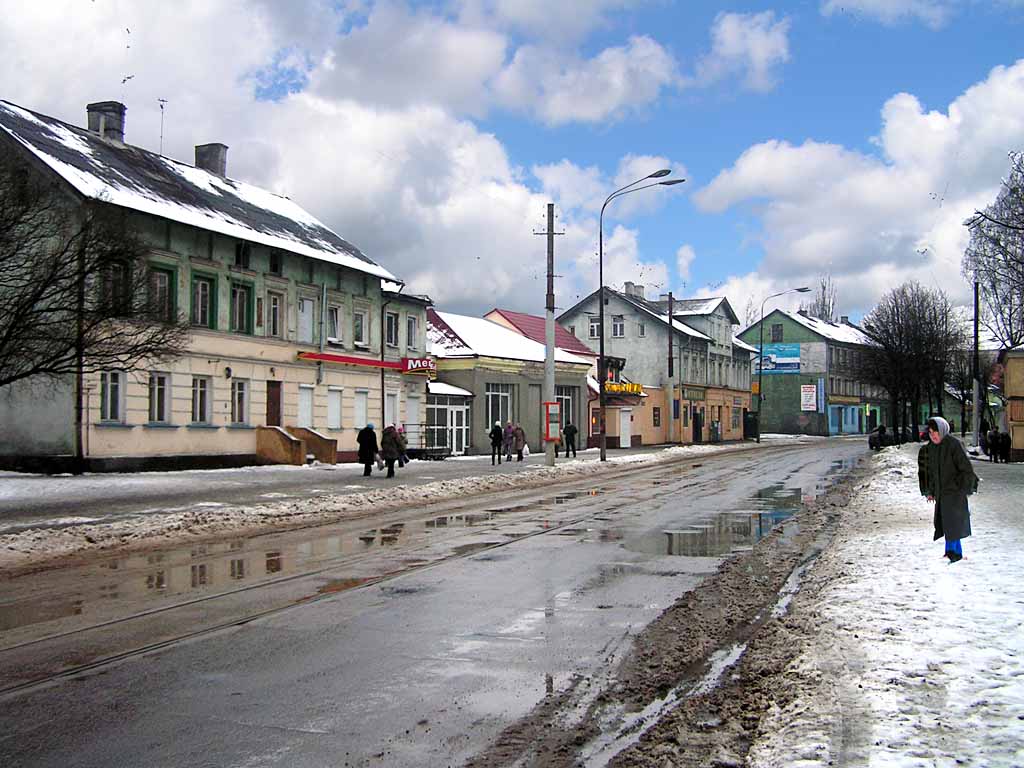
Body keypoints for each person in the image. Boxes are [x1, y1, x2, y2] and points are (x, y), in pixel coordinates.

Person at [918, 416, 977, 563]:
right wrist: (930, 491)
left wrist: (961, 487)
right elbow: (930, 472)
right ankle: (951, 551)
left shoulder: (954, 445)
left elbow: (966, 468)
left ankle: (954, 552)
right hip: (941, 493)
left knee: (953, 523)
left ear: (942, 430)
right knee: (946, 523)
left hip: (955, 492)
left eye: (935, 432)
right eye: (930, 433)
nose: (933, 436)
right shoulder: (931, 448)